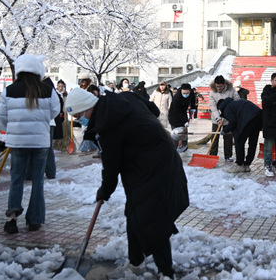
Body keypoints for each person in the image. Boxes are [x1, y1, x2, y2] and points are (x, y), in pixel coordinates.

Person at [64, 88, 189, 278]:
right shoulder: (123, 99)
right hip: (155, 160)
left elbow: (111, 166)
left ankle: (166, 272)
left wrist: (104, 191)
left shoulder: (107, 124)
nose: (80, 120)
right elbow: (153, 110)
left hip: (153, 169)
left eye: (79, 116)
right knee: (135, 213)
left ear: (88, 107)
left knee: (152, 220)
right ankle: (135, 262)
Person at [0, 55, 60, 233]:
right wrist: (40, 122)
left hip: (18, 141)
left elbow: (2, 115)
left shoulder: (8, 90)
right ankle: (35, 220)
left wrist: (15, 126)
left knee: (16, 178)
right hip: (40, 141)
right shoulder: (48, 90)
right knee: (38, 180)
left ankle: (11, 219)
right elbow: (54, 112)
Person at [218, 98, 262, 173]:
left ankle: (239, 165)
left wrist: (225, 130)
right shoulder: (236, 102)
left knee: (239, 141)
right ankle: (247, 165)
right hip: (259, 117)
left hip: (248, 120)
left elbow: (233, 122)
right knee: (252, 143)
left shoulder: (227, 107)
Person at [208, 75, 239, 162]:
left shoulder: (231, 90)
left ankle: (228, 156)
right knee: (215, 137)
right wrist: (218, 118)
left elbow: (237, 100)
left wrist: (230, 110)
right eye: (217, 86)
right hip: (216, 119)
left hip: (229, 119)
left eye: (220, 86)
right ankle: (212, 154)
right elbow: (213, 107)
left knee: (228, 137)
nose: (219, 88)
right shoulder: (212, 93)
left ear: (224, 84)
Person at [168, 84, 192, 152]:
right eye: (184, 93)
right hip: (174, 118)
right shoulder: (177, 98)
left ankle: (184, 148)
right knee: (176, 135)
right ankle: (174, 151)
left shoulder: (190, 94)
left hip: (182, 115)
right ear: (181, 91)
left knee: (184, 135)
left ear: (189, 91)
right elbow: (178, 112)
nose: (185, 94)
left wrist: (193, 108)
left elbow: (184, 110)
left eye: (187, 93)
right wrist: (185, 121)